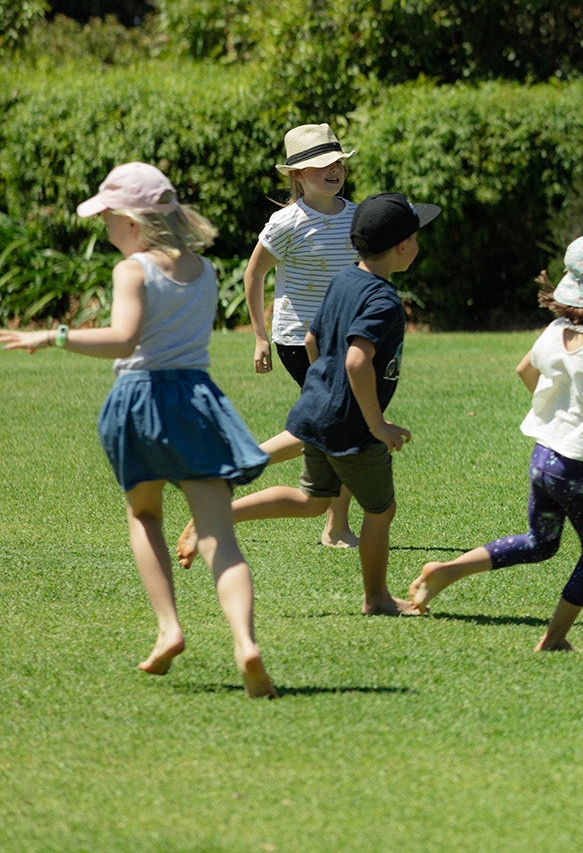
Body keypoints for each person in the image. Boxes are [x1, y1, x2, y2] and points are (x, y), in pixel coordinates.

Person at [1, 163, 277, 696]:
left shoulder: (132, 271)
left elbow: (125, 340)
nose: (104, 228)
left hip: (140, 402)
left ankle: (169, 628)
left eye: (106, 217)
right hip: (197, 402)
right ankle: (245, 642)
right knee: (220, 535)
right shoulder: (205, 271)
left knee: (145, 514)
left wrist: (53, 336)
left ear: (131, 221)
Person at [407, 234, 583, 650]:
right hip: (577, 468)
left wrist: (558, 413)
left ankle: (448, 571)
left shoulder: (557, 329)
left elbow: (526, 370)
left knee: (540, 543)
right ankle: (555, 638)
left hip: (543, 457)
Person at [177, 192, 436, 616]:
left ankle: (216, 515)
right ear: (403, 247)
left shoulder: (344, 279)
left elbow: (312, 339)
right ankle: (378, 599)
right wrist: (376, 423)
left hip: (318, 413)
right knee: (381, 509)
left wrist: (324, 389)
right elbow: (356, 360)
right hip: (352, 428)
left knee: (312, 501)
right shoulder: (383, 300)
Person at [246, 124, 361, 548]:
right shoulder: (286, 223)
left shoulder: (356, 215)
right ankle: (334, 527)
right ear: (296, 176)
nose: (332, 171)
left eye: (336, 163)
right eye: (319, 165)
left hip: (346, 337)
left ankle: (334, 526)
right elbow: (254, 274)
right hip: (299, 339)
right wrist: (260, 337)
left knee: (341, 428)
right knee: (342, 427)